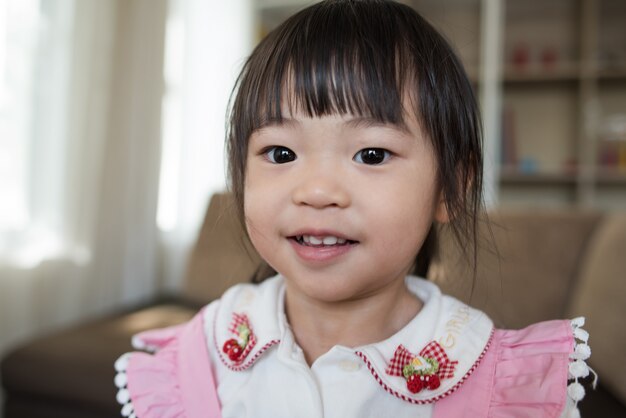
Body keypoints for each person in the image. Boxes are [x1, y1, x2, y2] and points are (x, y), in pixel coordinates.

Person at [114, 1, 594, 417]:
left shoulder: (486, 377)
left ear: (451, 187)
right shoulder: (208, 347)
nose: (317, 191)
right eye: (281, 153)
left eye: (371, 154)